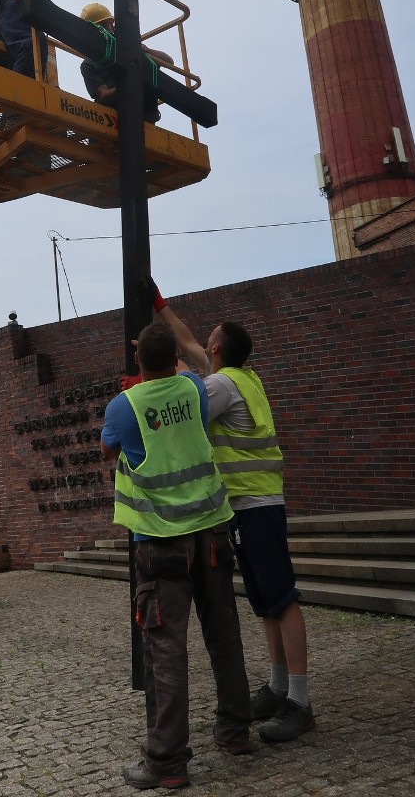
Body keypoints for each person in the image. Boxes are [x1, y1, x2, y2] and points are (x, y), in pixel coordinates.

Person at [101, 321, 252, 791]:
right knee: (223, 631)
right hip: (211, 532)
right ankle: (235, 731)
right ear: (171, 361)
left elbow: (109, 447)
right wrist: (160, 358)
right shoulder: (192, 387)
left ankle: (166, 760)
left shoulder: (123, 407)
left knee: (165, 648)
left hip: (161, 543)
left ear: (138, 362)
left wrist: (139, 382)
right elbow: (185, 368)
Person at [204, 321, 316, 743]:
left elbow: (186, 406)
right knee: (266, 602)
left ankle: (301, 704)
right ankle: (277, 687)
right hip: (248, 505)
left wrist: (159, 373)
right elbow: (182, 343)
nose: (203, 338)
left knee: (282, 597)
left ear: (215, 348)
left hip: (256, 505)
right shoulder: (243, 376)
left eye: (208, 335)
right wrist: (160, 304)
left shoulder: (222, 386)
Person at [78, 3, 173, 124]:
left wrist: (146, 51)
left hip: (144, 114)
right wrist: (131, 83)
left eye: (110, 24)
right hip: (114, 116)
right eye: (104, 26)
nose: (110, 28)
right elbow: (104, 96)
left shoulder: (131, 53)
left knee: (146, 72)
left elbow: (169, 62)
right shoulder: (89, 64)